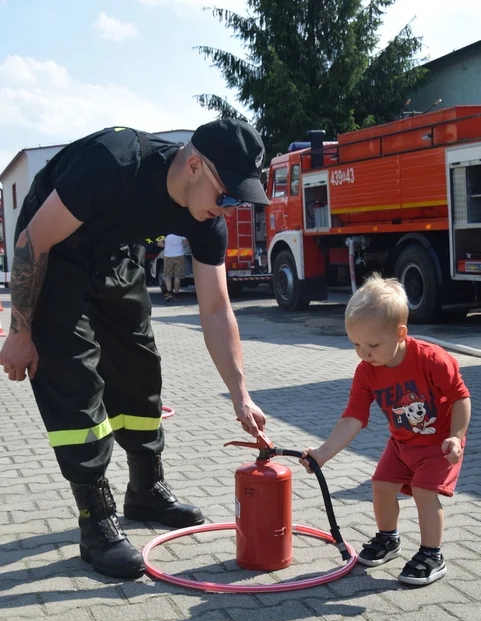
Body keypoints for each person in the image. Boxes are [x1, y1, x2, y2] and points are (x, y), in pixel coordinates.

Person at [0, 119, 269, 579]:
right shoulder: (115, 162)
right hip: (54, 249)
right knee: (73, 377)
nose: (226, 210)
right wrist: (20, 332)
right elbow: (33, 241)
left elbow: (216, 311)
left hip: (113, 251)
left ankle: (146, 489)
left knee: (139, 364)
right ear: (195, 167)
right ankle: (96, 519)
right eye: (225, 196)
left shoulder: (204, 221)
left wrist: (240, 394)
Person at [301, 273, 471, 585]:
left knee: (423, 492)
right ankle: (388, 538)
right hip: (402, 443)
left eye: (373, 344)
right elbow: (353, 416)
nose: (364, 353)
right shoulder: (367, 372)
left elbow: (461, 397)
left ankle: (432, 554)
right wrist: (323, 454)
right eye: (356, 344)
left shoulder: (432, 360)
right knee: (380, 485)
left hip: (438, 446)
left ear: (401, 333)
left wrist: (456, 436)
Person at [157, 233, 188, 300]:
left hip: (168, 256)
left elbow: (159, 244)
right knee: (177, 276)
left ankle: (169, 292)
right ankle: (177, 293)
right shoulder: (181, 233)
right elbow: (186, 243)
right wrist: (180, 247)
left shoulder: (165, 233)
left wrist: (166, 246)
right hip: (179, 255)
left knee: (167, 276)